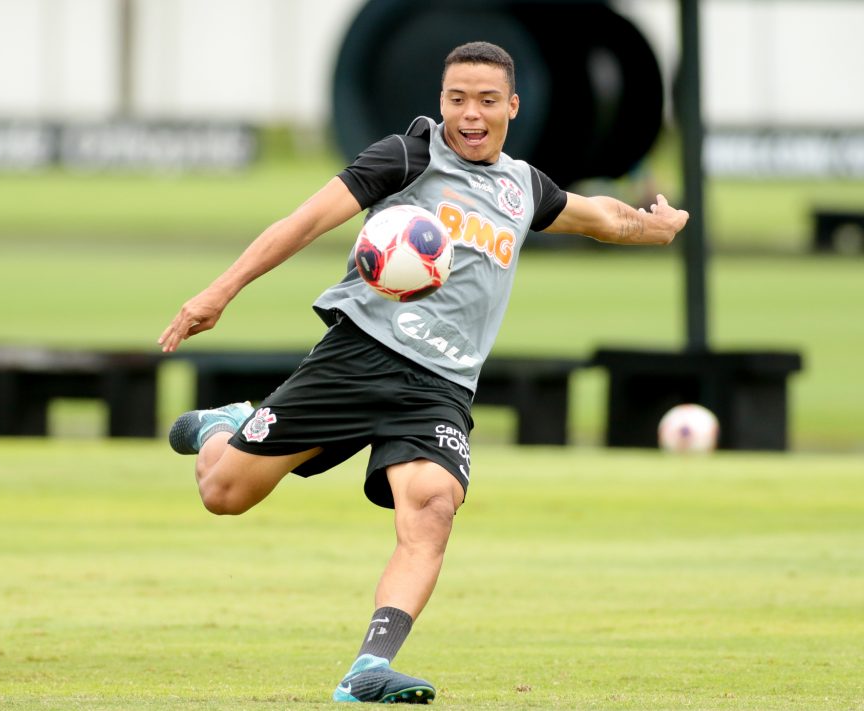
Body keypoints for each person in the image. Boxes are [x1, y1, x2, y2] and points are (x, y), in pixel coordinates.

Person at [158, 41, 688, 704]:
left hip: (439, 387)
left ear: (512, 107)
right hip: (360, 356)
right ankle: (231, 424)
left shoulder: (522, 187)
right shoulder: (407, 157)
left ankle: (368, 668)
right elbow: (302, 222)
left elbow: (601, 216)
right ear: (441, 104)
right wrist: (219, 292)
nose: (470, 113)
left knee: (434, 506)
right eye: (457, 99)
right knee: (223, 491)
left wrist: (654, 227)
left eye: (486, 100)